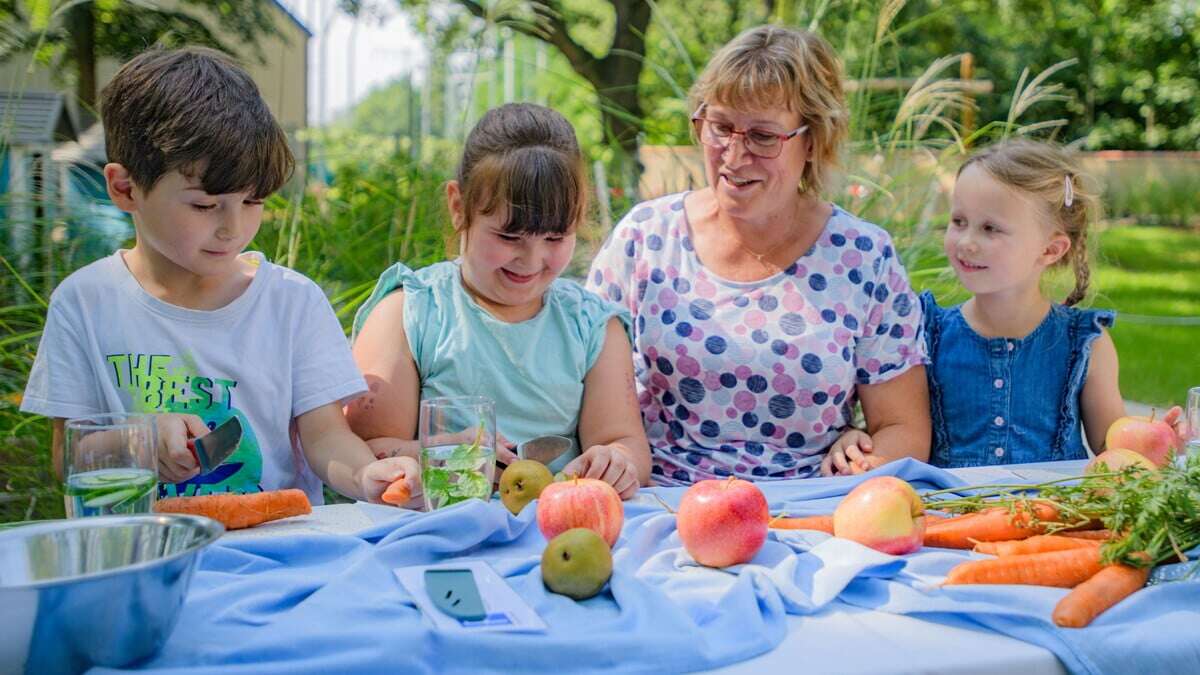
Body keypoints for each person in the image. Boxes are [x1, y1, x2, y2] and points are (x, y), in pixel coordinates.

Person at [21, 47, 417, 505]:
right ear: (125, 188)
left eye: (253, 202)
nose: (234, 228)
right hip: (139, 550)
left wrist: (368, 474)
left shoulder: (292, 302)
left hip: (272, 544)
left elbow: (326, 436)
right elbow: (66, 456)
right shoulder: (85, 303)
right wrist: (139, 440)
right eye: (206, 205)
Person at [586, 25, 930, 485]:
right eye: (720, 126)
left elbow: (903, 429)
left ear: (813, 141)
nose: (733, 153)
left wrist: (861, 462)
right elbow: (588, 397)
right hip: (663, 500)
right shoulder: (644, 238)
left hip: (812, 508)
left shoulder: (864, 257)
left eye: (763, 136)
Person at [347, 103, 650, 500]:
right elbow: (362, 450)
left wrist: (616, 461)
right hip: (440, 528)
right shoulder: (411, 312)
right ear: (459, 207)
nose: (531, 260)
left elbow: (625, 441)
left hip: (560, 529)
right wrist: (443, 457)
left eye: (555, 239)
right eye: (509, 237)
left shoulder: (593, 326)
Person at [895, 139, 1181, 467]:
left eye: (990, 228)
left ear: (1050, 250)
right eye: (959, 221)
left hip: (1058, 516)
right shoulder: (927, 333)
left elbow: (1111, 448)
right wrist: (856, 435)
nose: (967, 242)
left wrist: (1156, 442)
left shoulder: (1086, 344)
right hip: (945, 515)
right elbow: (899, 429)